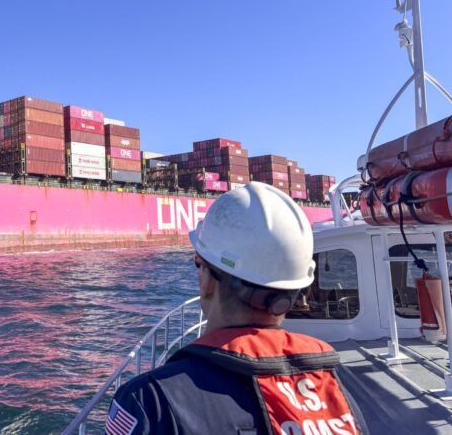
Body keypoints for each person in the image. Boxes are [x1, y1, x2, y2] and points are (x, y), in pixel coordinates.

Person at [104, 182, 368, 435]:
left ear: (207, 280)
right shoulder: (335, 385)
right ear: (296, 288)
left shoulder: (149, 400)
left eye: (198, 262)